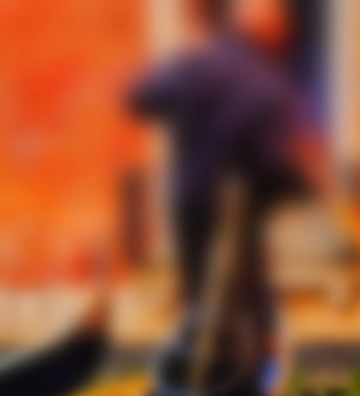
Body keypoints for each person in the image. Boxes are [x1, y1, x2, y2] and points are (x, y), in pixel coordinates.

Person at [129, 0, 311, 348]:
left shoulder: (201, 66)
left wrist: (192, 51)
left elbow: (143, 97)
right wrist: (304, 185)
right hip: (235, 211)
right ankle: (234, 364)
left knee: (206, 304)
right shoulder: (267, 84)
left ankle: (209, 360)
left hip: (193, 202)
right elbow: (273, 164)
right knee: (242, 309)